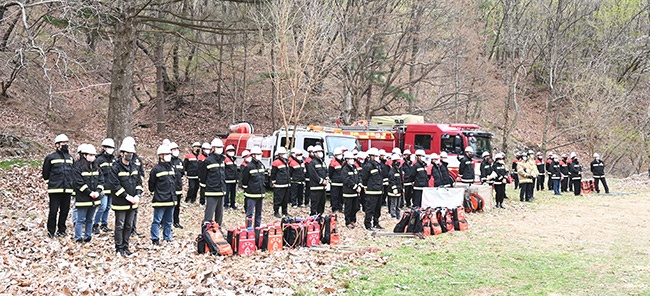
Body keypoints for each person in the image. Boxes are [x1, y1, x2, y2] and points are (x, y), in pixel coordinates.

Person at [109, 140, 142, 257]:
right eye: (127, 153)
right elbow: (114, 185)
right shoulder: (115, 167)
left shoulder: (134, 167)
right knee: (120, 225)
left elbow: (138, 182)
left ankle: (126, 247)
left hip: (133, 202)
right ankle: (119, 248)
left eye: (131, 153)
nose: (130, 155)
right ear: (122, 153)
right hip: (120, 202)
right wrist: (126, 196)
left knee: (129, 225)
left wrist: (138, 195)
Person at [42, 134, 74, 238]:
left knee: (65, 211)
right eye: (63, 143)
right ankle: (51, 231)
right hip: (55, 190)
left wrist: (71, 186)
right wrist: (50, 184)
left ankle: (62, 230)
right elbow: (45, 173)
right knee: (53, 211)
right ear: (57, 145)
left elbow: (72, 173)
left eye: (66, 143)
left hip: (67, 190)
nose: (65, 145)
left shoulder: (70, 158)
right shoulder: (50, 157)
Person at [72, 144, 103, 243]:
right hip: (83, 198)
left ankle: (88, 236)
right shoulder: (78, 167)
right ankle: (78, 238)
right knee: (80, 219)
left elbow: (101, 181)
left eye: (94, 155)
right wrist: (89, 192)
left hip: (94, 199)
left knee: (90, 219)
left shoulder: (96, 167)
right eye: (90, 155)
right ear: (84, 155)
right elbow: (78, 182)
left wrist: (97, 192)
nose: (93, 157)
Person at [148, 145, 177, 245]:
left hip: (171, 199)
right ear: (161, 156)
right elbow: (151, 184)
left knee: (169, 221)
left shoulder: (172, 168)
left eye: (169, 154)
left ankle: (167, 238)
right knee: (157, 221)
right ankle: (155, 239)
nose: (169, 156)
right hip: (160, 200)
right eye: (167, 154)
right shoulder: (156, 169)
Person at [198, 138, 227, 225]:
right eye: (218, 147)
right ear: (213, 148)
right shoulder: (208, 161)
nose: (220, 149)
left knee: (219, 215)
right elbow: (203, 176)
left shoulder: (222, 160)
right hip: (212, 191)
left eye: (221, 147)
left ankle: (218, 231)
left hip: (221, 191)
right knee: (209, 215)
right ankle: (206, 232)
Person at [122, 136, 144, 237]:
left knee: (135, 211)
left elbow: (141, 172)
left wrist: (141, 180)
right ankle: (125, 231)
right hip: (125, 191)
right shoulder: (120, 161)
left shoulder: (137, 160)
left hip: (135, 188)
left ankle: (133, 229)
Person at [93, 138, 115, 234]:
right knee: (102, 206)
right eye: (109, 147)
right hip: (103, 187)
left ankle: (104, 224)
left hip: (111, 187)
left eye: (112, 147)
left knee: (108, 207)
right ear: (104, 148)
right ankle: (95, 224)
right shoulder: (99, 160)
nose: (111, 149)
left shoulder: (114, 159)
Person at [241, 146, 265, 228]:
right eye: (258, 154)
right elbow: (244, 180)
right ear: (253, 155)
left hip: (260, 194)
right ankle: (249, 230)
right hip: (251, 195)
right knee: (249, 214)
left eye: (260, 154)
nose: (259, 156)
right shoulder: (249, 167)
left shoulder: (261, 165)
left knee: (259, 213)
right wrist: (247, 189)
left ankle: (257, 229)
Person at [361, 148, 384, 230]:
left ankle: (376, 223)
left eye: (376, 156)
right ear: (370, 156)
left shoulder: (378, 165)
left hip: (379, 190)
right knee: (370, 208)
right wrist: (365, 187)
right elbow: (364, 178)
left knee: (377, 209)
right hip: (371, 191)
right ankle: (368, 224)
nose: (375, 157)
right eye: (374, 156)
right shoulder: (367, 166)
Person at [341, 151, 361, 229]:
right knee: (348, 208)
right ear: (346, 160)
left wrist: (359, 185)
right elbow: (346, 180)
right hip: (348, 192)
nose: (352, 160)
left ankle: (353, 220)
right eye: (351, 159)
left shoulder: (354, 167)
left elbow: (359, 177)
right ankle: (348, 222)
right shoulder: (345, 169)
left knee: (355, 207)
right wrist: (355, 186)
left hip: (355, 193)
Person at [307, 145, 328, 215]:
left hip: (323, 188)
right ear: (314, 153)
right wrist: (322, 181)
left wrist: (327, 179)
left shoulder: (322, 162)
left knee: (322, 204)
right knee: (315, 204)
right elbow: (313, 175)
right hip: (315, 188)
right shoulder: (312, 163)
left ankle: (320, 218)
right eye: (318, 151)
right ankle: (313, 220)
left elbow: (326, 171)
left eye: (321, 151)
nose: (320, 153)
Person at [271, 147, 291, 218]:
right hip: (279, 185)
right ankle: (276, 212)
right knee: (278, 199)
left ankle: (284, 212)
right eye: (283, 154)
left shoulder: (286, 161)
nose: (284, 155)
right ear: (279, 155)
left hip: (286, 184)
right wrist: (273, 182)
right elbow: (273, 173)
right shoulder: (276, 162)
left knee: (285, 200)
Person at [169, 142, 185, 229]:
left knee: (177, 207)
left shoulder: (180, 162)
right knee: (169, 207)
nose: (176, 151)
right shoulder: (168, 162)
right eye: (174, 149)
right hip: (170, 189)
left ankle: (176, 222)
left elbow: (182, 173)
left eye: (177, 149)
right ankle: (166, 222)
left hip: (178, 188)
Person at [328, 147, 345, 213]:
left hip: (342, 182)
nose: (339, 156)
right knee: (335, 196)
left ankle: (340, 208)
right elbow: (330, 172)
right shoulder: (333, 162)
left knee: (341, 196)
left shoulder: (344, 162)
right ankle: (334, 208)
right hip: (335, 182)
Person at [387, 154, 403, 219]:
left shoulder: (398, 170)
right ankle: (393, 216)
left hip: (399, 190)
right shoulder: (392, 171)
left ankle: (398, 216)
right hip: (393, 191)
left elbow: (401, 180)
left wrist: (402, 188)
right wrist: (394, 188)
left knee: (398, 205)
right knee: (393, 204)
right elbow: (391, 181)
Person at [224, 145, 239, 210]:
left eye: (232, 151)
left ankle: (233, 204)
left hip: (234, 180)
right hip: (227, 180)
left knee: (233, 193)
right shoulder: (225, 159)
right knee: (226, 193)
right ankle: (225, 204)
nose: (231, 152)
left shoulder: (234, 159)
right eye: (230, 151)